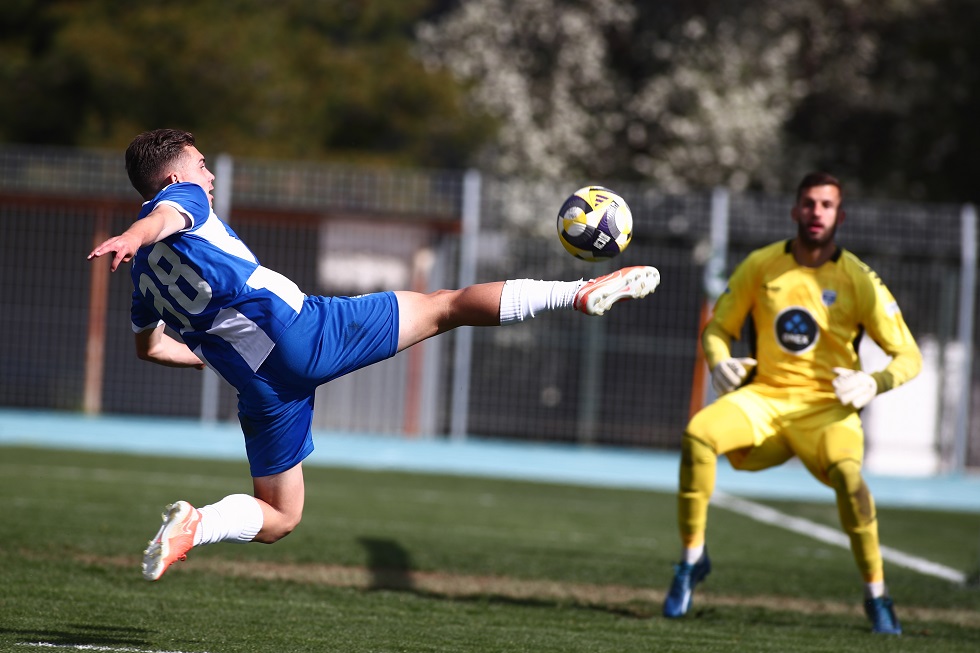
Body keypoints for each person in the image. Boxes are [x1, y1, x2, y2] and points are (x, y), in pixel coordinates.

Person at [87, 128, 661, 582]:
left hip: (263, 387)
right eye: (201, 164)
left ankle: (198, 524)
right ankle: (576, 293)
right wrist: (135, 233)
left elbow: (150, 347)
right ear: (171, 175)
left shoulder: (140, 278)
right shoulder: (174, 201)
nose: (208, 175)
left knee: (281, 515)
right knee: (445, 306)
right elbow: (164, 217)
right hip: (302, 332)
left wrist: (210, 353)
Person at [662, 172, 921, 635]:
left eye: (826, 205)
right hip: (765, 398)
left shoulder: (858, 278)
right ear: (794, 210)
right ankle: (691, 562)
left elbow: (910, 356)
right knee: (698, 434)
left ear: (840, 215)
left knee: (850, 479)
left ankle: (877, 596)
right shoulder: (763, 265)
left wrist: (875, 382)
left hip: (827, 410)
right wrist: (718, 361)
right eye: (808, 203)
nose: (816, 212)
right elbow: (718, 329)